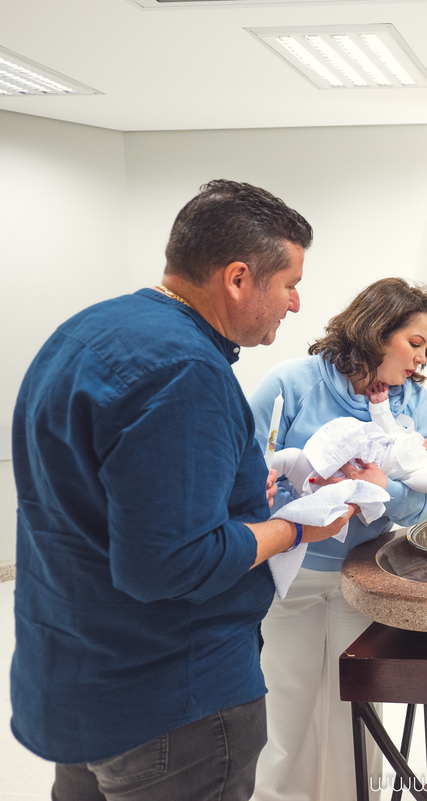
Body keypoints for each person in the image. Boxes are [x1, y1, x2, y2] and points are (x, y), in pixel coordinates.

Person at [11, 180, 352, 801]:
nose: (297, 303)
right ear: (239, 278)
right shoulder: (185, 369)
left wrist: (247, 483)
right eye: (290, 284)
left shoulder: (87, 332)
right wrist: (299, 528)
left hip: (76, 679)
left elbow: (96, 495)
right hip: (170, 705)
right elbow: (170, 562)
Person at [248, 277, 427, 801]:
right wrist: (308, 495)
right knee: (284, 709)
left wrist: (384, 489)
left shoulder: (413, 403)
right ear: (378, 331)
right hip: (289, 576)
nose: (419, 361)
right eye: (415, 343)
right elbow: (241, 477)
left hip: (363, 580)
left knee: (356, 711)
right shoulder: (290, 384)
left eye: (425, 348)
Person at [273, 382, 427, 498]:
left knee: (292, 462)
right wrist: (380, 404)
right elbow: (389, 428)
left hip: (340, 484)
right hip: (342, 461)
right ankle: (259, 476)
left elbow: (426, 481)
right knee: (289, 459)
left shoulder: (423, 466)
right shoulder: (413, 440)